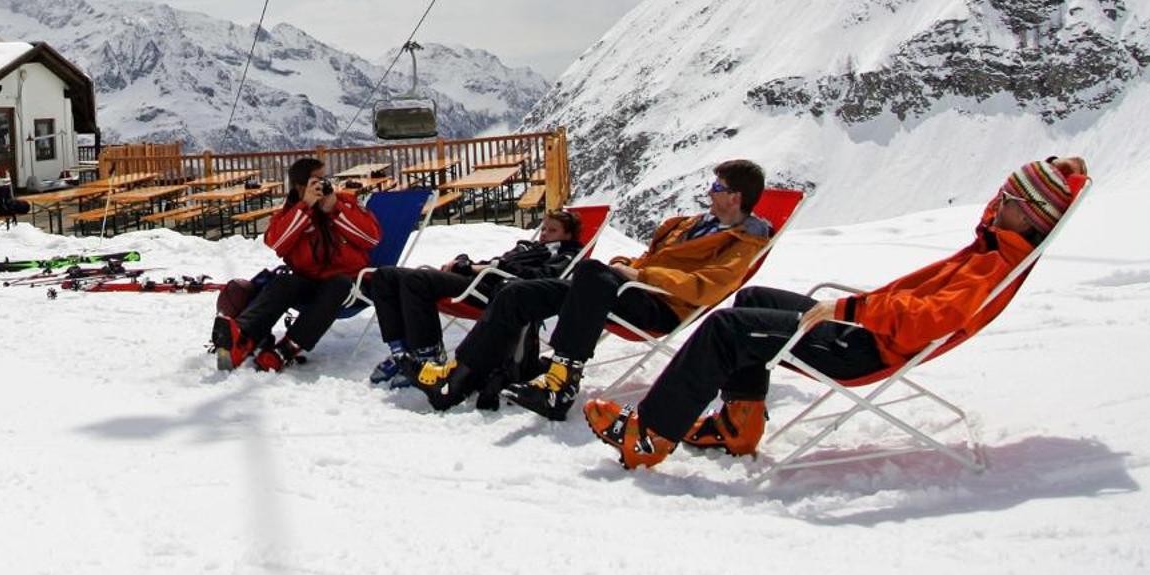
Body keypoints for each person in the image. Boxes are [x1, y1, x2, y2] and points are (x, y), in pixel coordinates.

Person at [584, 156, 1088, 470]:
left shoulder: (993, 264)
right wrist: (1063, 173)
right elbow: (1003, 212)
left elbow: (926, 319)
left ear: (1029, 213)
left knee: (726, 327)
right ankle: (740, 422)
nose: (996, 204)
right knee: (756, 300)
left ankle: (649, 434)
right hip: (867, 325)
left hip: (864, 345)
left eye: (1009, 200)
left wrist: (848, 308)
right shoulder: (1000, 242)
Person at [416, 159, 772, 418]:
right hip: (624, 290)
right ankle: (460, 377)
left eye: (718, 188)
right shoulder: (692, 224)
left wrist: (641, 278)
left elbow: (706, 288)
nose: (710, 193)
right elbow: (647, 257)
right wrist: (627, 267)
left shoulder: (744, 241)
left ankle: (561, 383)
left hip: (661, 305)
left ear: (735, 197)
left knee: (590, 273)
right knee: (519, 293)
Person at [358, 209, 584, 389]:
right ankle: (401, 351)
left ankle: (428, 356)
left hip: (497, 293)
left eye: (552, 230)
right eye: (543, 228)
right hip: (480, 279)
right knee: (384, 276)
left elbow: (538, 279)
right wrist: (465, 263)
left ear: (568, 235)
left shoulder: (564, 255)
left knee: (416, 281)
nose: (544, 234)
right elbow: (498, 262)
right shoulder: (530, 247)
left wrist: (477, 268)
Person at [212, 157, 382, 372]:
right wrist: (305, 208)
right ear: (300, 186)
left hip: (351, 283)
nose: (324, 185)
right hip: (311, 283)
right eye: (317, 180)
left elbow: (372, 238)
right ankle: (242, 336)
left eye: (325, 179)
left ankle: (288, 348)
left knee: (337, 284)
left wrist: (334, 209)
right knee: (284, 281)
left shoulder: (344, 203)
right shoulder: (290, 214)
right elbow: (277, 242)